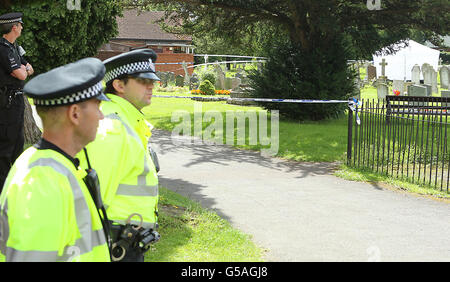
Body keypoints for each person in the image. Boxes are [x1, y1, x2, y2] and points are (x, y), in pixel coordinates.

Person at [0, 57, 111, 262]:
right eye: (97, 105)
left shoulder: (56, 167)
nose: (101, 116)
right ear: (75, 114)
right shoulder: (42, 182)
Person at [78, 49, 160, 262]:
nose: (151, 85)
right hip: (114, 244)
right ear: (119, 85)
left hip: (124, 240)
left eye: (152, 80)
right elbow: (94, 200)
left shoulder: (125, 120)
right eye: (143, 80)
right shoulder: (112, 127)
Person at [0, 12, 34, 191]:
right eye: (20, 24)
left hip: (17, 101)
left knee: (17, 143)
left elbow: (30, 68)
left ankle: (13, 186)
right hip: (7, 104)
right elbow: (22, 73)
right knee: (6, 147)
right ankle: (3, 189)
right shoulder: (3, 48)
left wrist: (25, 68)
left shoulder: (14, 47)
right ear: (14, 27)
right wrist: (24, 69)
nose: (22, 27)